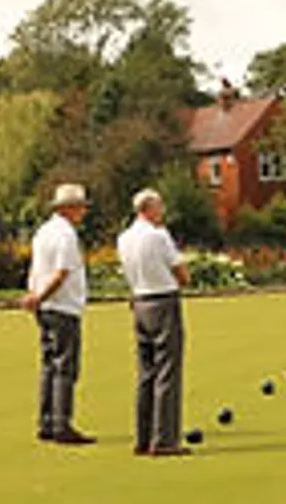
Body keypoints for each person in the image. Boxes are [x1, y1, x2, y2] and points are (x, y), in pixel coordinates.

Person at [117, 189, 192, 457]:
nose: (162, 211)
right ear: (148, 208)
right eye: (160, 206)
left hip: (139, 302)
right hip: (162, 301)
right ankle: (164, 441)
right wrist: (183, 277)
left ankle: (143, 437)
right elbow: (182, 274)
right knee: (168, 371)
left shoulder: (123, 238)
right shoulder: (159, 236)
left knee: (146, 372)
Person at [20, 183, 95, 445]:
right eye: (80, 208)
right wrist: (40, 296)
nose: (83, 212)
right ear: (69, 209)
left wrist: (35, 297)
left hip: (46, 307)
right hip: (62, 306)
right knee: (65, 366)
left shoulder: (43, 232)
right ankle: (62, 425)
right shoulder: (65, 235)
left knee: (49, 365)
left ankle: (46, 422)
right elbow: (61, 272)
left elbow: (37, 269)